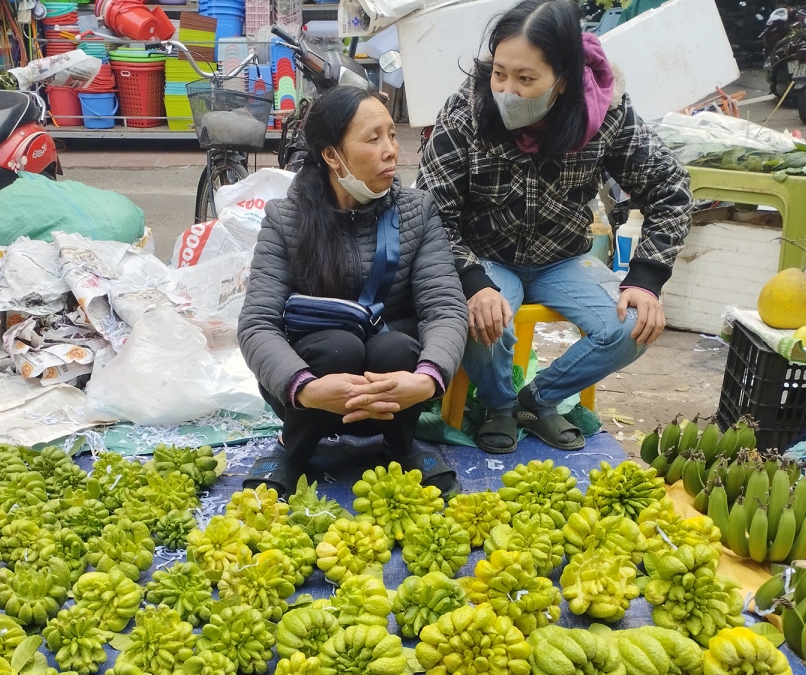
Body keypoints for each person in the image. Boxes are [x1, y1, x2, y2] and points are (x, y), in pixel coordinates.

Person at [418, 0, 692, 455]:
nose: (507, 90)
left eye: (526, 79)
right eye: (499, 73)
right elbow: (430, 208)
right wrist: (471, 281)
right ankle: (500, 405)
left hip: (563, 260)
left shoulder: (605, 115)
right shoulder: (464, 111)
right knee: (478, 320)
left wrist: (646, 279)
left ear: (562, 79)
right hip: (484, 257)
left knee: (632, 326)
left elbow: (671, 188)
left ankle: (536, 399)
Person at [238, 86, 469, 497]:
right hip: (314, 392)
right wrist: (303, 387)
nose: (391, 151)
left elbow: (445, 308)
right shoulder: (286, 219)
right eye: (373, 138)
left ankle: (402, 445)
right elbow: (258, 324)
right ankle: (293, 449)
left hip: (395, 390)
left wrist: (429, 378)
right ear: (332, 155)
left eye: (392, 135)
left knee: (395, 346)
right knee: (340, 346)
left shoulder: (417, 211)